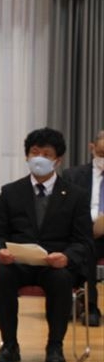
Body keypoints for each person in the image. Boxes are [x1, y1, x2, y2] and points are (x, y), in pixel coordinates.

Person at [0, 127, 93, 362]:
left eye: (47, 154)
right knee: (0, 277)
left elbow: (84, 241)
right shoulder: (11, 192)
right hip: (18, 262)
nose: (39, 159)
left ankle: (55, 346)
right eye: (35, 153)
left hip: (54, 264)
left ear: (58, 160)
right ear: (27, 156)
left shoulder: (76, 195)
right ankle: (9, 344)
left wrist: (67, 257)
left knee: (61, 280)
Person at [63, 129, 104, 327]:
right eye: (102, 153)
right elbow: (65, 210)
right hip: (85, 232)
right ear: (92, 148)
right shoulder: (73, 175)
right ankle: (90, 306)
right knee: (86, 250)